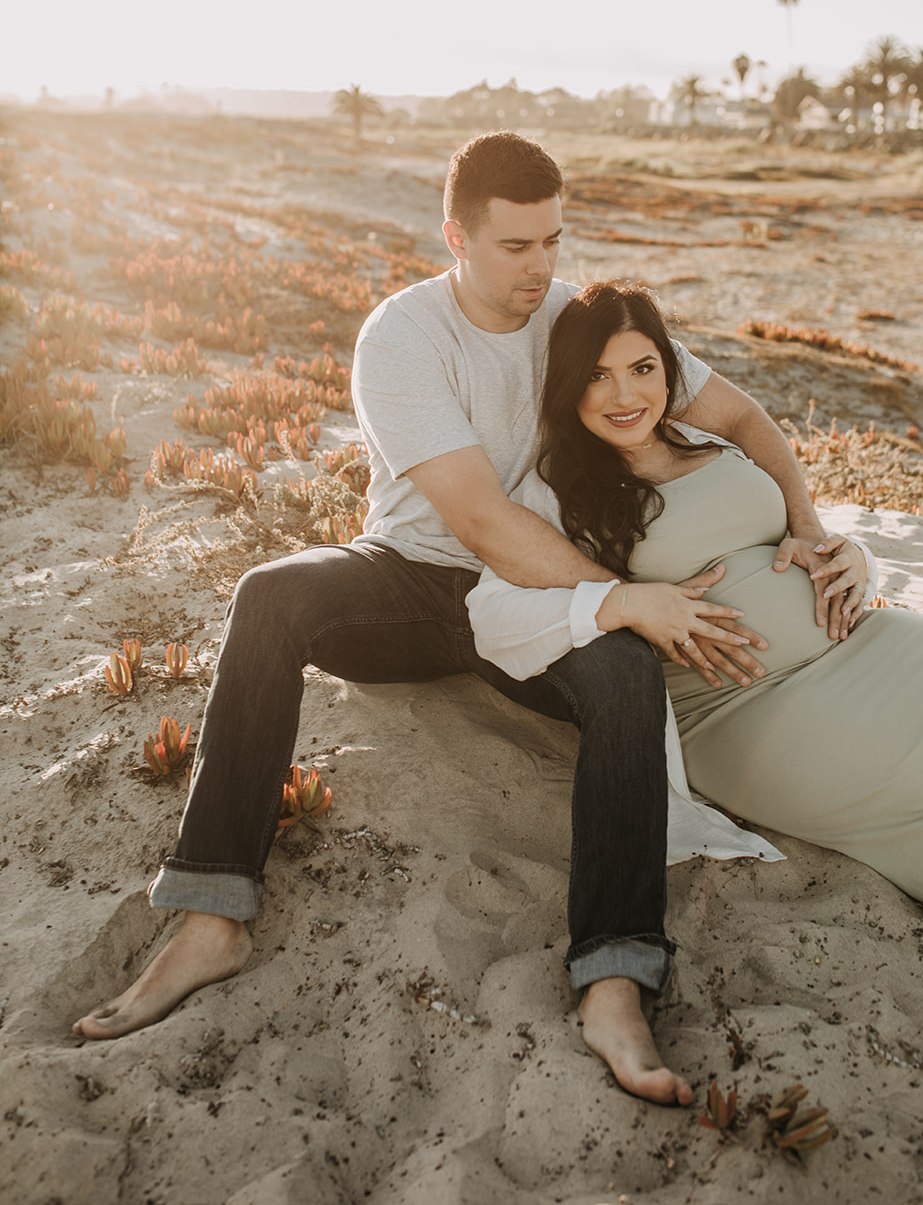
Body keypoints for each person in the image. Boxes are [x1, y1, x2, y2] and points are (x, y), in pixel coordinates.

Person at [73, 133, 861, 1106]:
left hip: (538, 589)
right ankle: (210, 915)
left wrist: (812, 522)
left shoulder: (575, 318)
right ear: (455, 236)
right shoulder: (402, 337)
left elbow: (742, 416)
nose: (540, 268)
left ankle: (612, 979)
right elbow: (480, 521)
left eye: (551, 241)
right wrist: (616, 596)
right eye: (515, 246)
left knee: (622, 671)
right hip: (410, 579)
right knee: (269, 594)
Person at [467, 280, 923, 927]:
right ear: (567, 386)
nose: (624, 395)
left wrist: (851, 558)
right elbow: (490, 616)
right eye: (596, 376)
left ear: (668, 371)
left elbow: (785, 534)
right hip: (748, 708)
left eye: (642, 369)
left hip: (868, 645)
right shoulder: (556, 493)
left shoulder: (704, 442)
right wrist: (621, 604)